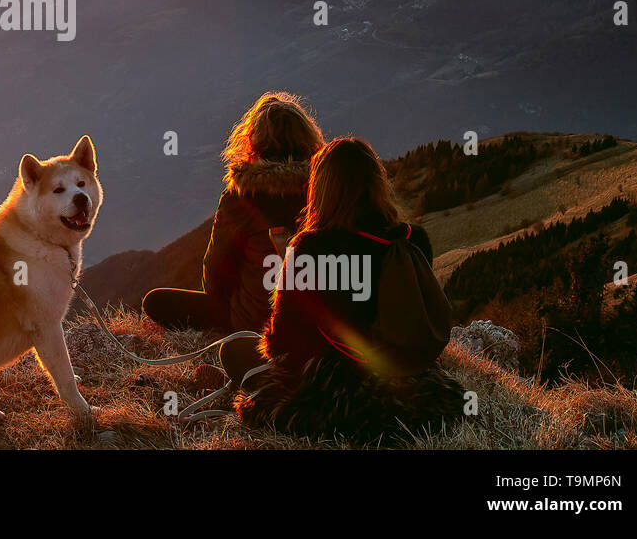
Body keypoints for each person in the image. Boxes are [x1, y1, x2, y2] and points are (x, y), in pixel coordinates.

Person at [232, 137, 465, 441]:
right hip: (413, 381)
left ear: (321, 190)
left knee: (233, 353)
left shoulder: (310, 248)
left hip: (337, 391)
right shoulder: (412, 241)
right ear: (377, 184)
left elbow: (281, 343)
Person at [141, 92, 324, 372]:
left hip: (254, 324)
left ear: (252, 141)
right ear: (309, 138)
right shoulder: (329, 188)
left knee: (156, 302)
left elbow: (215, 280)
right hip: (322, 322)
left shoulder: (240, 198)